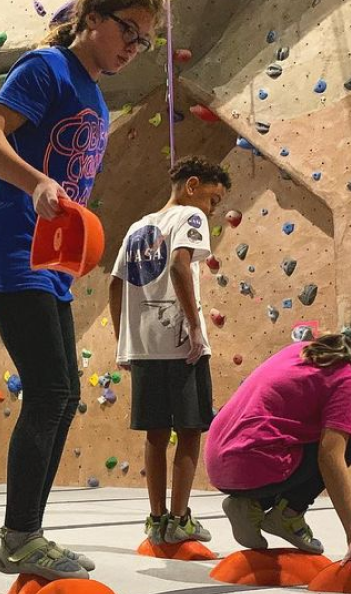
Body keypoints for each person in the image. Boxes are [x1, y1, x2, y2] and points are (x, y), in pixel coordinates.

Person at [0, 0, 159, 580]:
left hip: (48, 261)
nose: (132, 45)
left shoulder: (96, 96)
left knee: (64, 394)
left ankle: (29, 534)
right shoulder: (45, 67)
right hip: (10, 246)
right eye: (128, 29)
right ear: (94, 16)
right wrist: (37, 181)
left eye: (143, 40)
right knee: (50, 391)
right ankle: (20, 536)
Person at [108, 156, 231, 546]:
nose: (212, 209)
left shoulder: (137, 227)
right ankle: (180, 519)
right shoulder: (190, 218)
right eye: (213, 199)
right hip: (180, 346)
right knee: (190, 430)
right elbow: (180, 267)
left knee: (156, 434)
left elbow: (115, 284)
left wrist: (123, 340)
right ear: (192, 185)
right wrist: (195, 327)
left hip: (144, 347)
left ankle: (157, 519)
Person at [208, 312, 351, 572]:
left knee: (309, 436)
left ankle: (251, 505)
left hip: (218, 463)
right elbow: (330, 458)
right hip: (250, 464)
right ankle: (288, 514)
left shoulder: (302, 350)